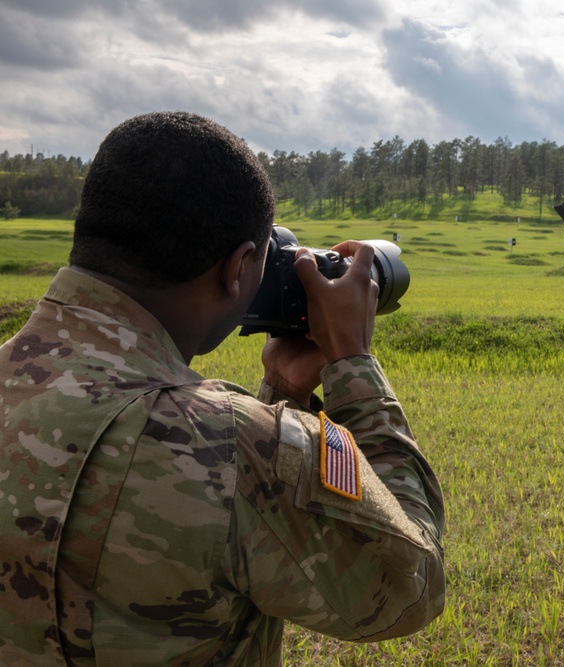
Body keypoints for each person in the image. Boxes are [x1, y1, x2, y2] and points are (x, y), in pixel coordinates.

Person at [0, 112, 445, 665]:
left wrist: (283, 388)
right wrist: (352, 360)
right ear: (239, 268)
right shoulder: (233, 445)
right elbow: (410, 585)